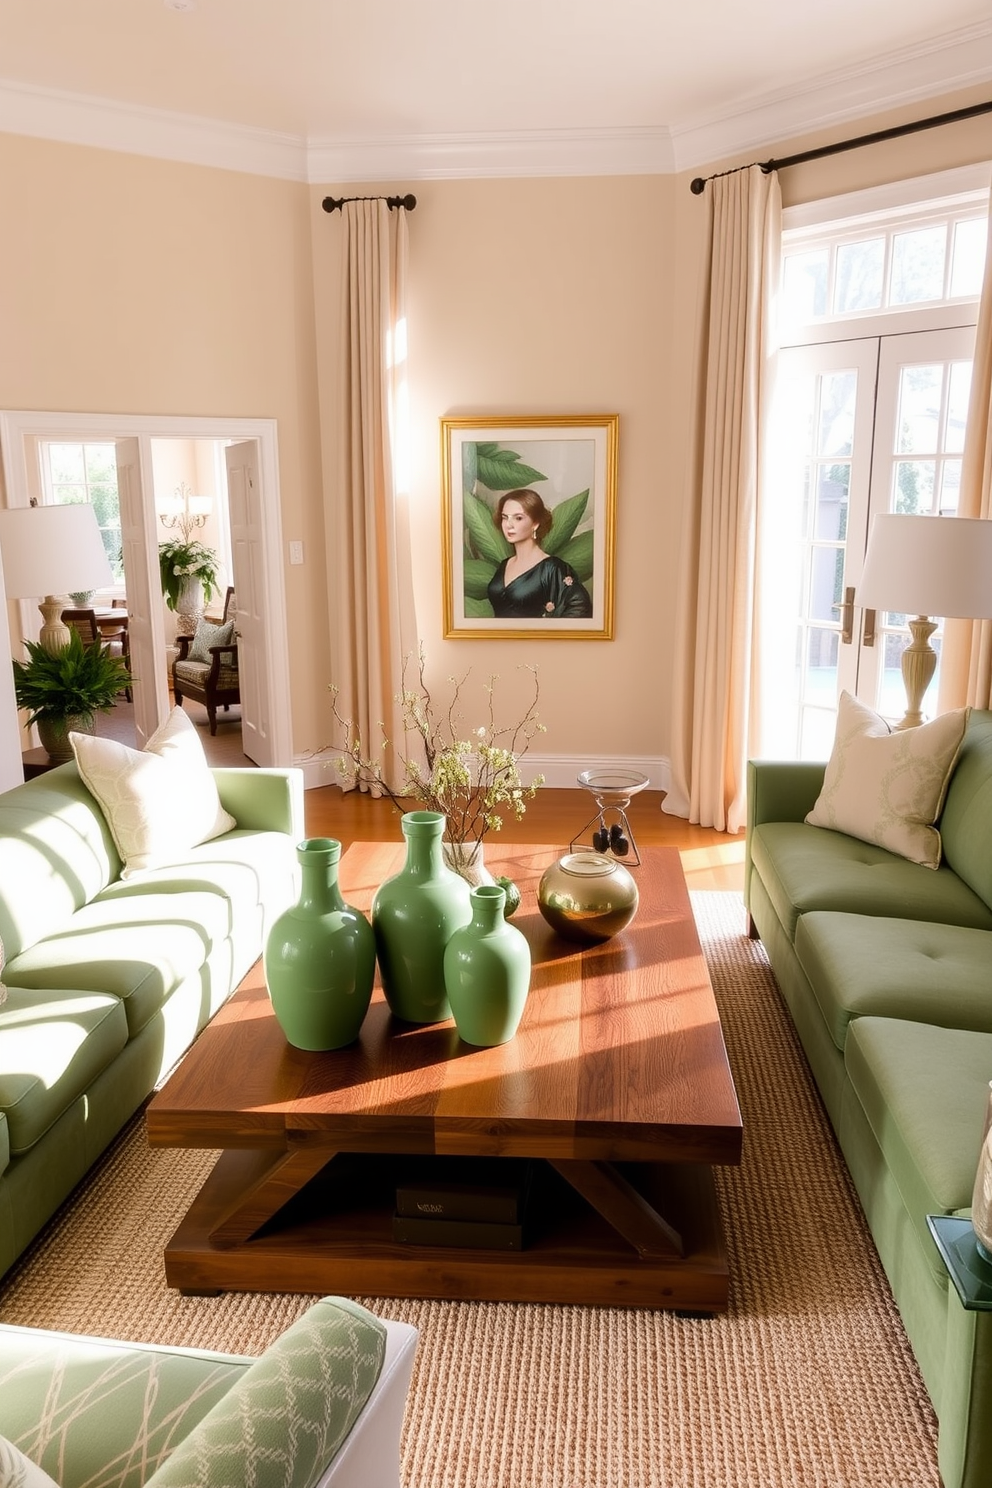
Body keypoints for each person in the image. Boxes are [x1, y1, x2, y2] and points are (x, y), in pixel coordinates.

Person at [486, 489, 593, 619]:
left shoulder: (552, 568)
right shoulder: (504, 564)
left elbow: (580, 606)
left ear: (535, 524)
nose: (509, 525)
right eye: (505, 518)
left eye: (518, 518)